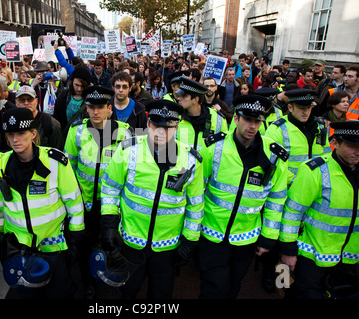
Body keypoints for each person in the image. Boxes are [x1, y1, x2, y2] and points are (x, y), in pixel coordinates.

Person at [99, 99, 204, 299]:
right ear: (148, 124)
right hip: (131, 240)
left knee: (160, 294)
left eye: (168, 126)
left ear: (177, 126)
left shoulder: (191, 160)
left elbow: (196, 204)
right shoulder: (128, 150)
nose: (161, 131)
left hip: (167, 245)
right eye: (156, 124)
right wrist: (109, 223)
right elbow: (110, 187)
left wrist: (189, 241)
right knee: (127, 291)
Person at [198, 94, 289, 299]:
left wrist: (268, 237)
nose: (252, 126)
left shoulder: (274, 154)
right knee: (213, 287)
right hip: (212, 231)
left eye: (258, 121)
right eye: (248, 119)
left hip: (247, 236)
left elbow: (276, 200)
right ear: (236, 119)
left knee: (234, 285)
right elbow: (197, 191)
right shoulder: (215, 146)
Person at [0, 107, 84, 299]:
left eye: (21, 133)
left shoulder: (56, 162)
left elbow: (74, 201)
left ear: (33, 134)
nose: (15, 139)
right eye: (11, 134)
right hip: (19, 247)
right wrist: (0, 239)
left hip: (53, 246)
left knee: (59, 293)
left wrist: (76, 237)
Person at [64, 85, 132, 298]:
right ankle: (88, 283)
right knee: (84, 248)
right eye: (91, 107)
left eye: (100, 107)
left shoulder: (124, 132)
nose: (95, 112)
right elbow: (68, 170)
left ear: (109, 109)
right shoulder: (76, 131)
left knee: (111, 246)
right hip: (85, 205)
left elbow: (130, 170)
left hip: (111, 207)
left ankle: (111, 284)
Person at [280, 120, 359, 299]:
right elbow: (292, 212)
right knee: (298, 292)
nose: (357, 152)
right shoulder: (315, 170)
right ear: (335, 143)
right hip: (313, 257)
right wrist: (288, 250)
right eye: (352, 146)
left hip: (349, 259)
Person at [265, 89, 332, 185]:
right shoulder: (277, 129)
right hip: (289, 186)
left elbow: (327, 155)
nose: (306, 112)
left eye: (309, 107)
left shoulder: (320, 126)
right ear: (290, 107)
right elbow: (273, 164)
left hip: (317, 185)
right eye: (301, 108)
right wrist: (298, 181)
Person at [175, 77, 228, 151]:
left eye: (184, 96)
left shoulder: (218, 119)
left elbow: (224, 149)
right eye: (179, 96)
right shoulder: (176, 119)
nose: (179, 98)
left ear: (196, 99)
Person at [15, 85, 64, 150]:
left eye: (30, 99)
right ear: (16, 102)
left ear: (36, 101)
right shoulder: (12, 122)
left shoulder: (50, 123)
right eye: (22, 100)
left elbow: (57, 151)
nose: (26, 103)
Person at [53, 65, 91, 136]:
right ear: (72, 82)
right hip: (66, 137)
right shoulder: (63, 96)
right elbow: (56, 118)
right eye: (76, 85)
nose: (79, 89)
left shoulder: (92, 98)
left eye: (82, 86)